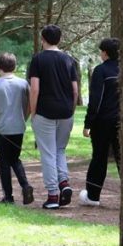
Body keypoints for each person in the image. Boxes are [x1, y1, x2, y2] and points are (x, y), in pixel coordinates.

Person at [28, 24, 78, 209]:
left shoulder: (38, 60)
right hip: (66, 111)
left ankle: (52, 195)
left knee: (48, 153)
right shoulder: (69, 60)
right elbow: (75, 90)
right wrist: (70, 109)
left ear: (43, 40)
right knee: (60, 150)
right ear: (59, 39)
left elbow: (35, 89)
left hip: (45, 111)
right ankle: (63, 182)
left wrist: (33, 111)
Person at [0, 52, 34, 205]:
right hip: (18, 128)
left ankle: (8, 196)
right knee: (15, 159)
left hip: (1, 129)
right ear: (14, 66)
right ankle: (25, 186)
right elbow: (30, 105)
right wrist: (24, 118)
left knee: (4, 163)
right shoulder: (23, 83)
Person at [79, 38, 120, 207]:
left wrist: (88, 123)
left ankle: (93, 196)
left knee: (99, 159)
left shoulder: (101, 70)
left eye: (101, 51)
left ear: (105, 52)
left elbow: (96, 99)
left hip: (103, 122)